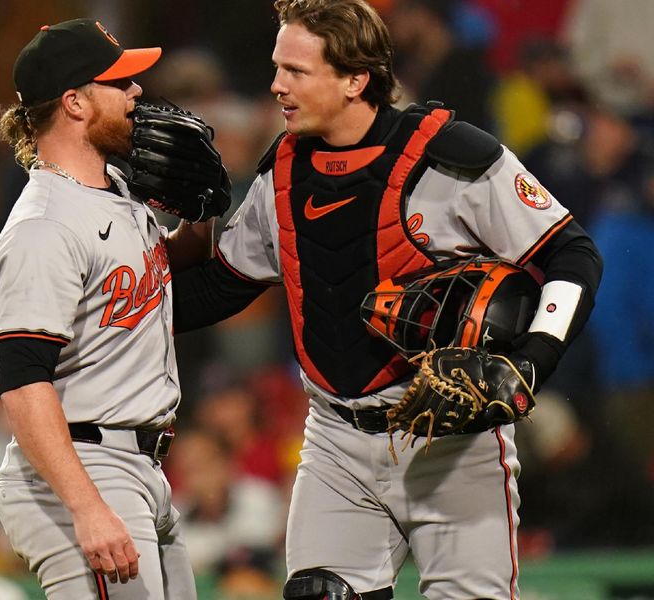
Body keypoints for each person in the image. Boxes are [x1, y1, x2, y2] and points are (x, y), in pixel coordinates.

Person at [171, 1, 602, 598]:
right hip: (336, 442)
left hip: (451, 443)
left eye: (296, 70)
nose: (276, 85)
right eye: (277, 67)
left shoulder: (451, 156)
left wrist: (533, 358)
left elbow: (573, 254)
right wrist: (119, 289)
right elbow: (219, 288)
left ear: (355, 79)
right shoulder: (284, 171)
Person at [0, 18, 216, 599]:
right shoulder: (44, 226)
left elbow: (151, 276)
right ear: (75, 103)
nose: (137, 92)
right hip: (85, 470)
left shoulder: (115, 186)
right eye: (120, 82)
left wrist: (201, 214)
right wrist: (86, 509)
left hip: (139, 466)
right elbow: (22, 384)